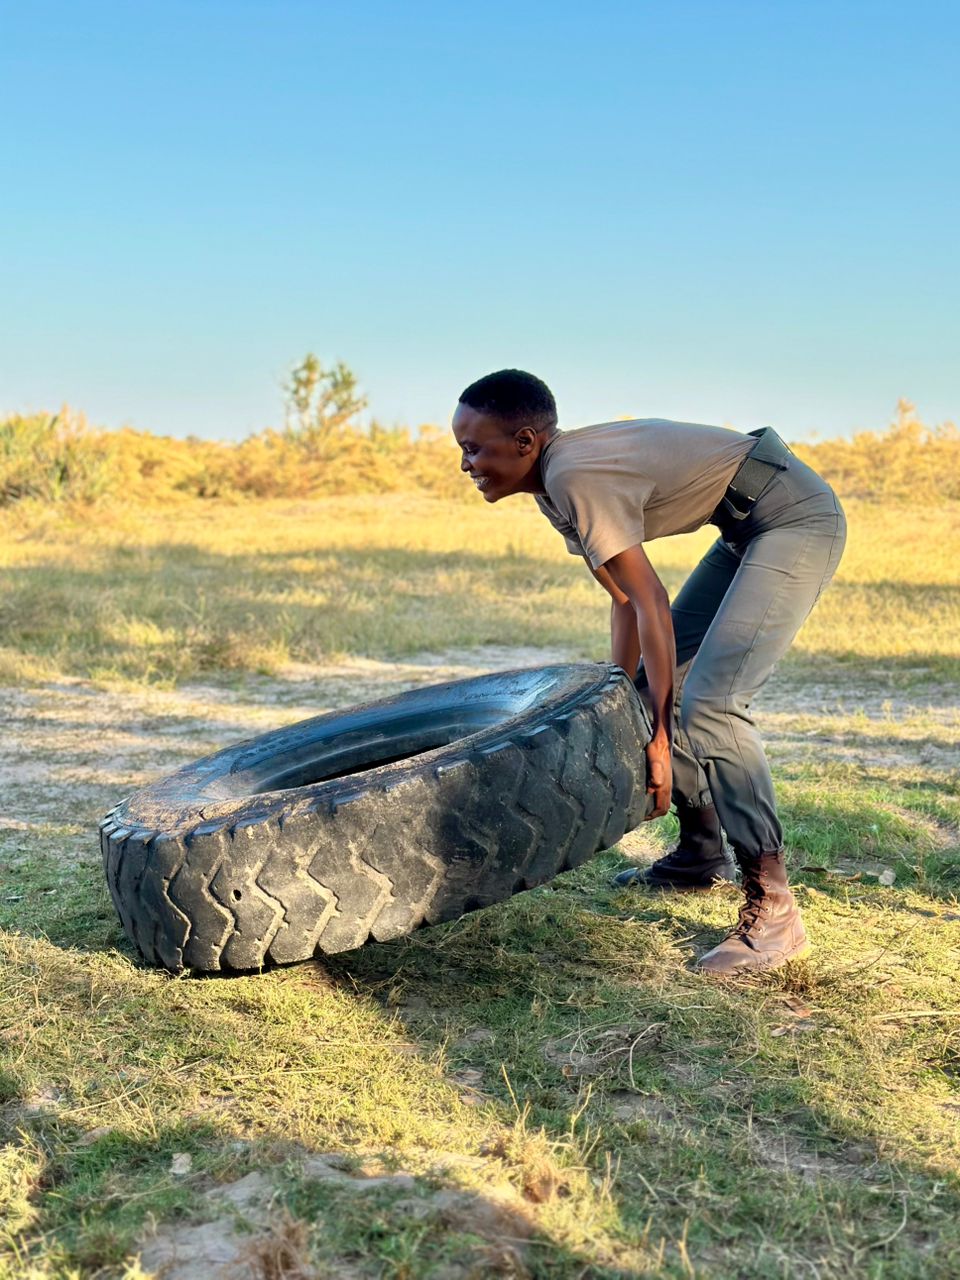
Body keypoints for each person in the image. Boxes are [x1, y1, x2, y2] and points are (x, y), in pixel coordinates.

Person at [452, 369, 846, 976]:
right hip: (744, 527)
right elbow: (625, 600)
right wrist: (620, 701)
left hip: (794, 517)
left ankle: (775, 909)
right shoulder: (551, 486)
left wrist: (661, 737)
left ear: (526, 441)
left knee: (710, 703)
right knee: (644, 693)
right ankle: (698, 855)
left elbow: (652, 602)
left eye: (474, 448)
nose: (466, 464)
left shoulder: (571, 474)